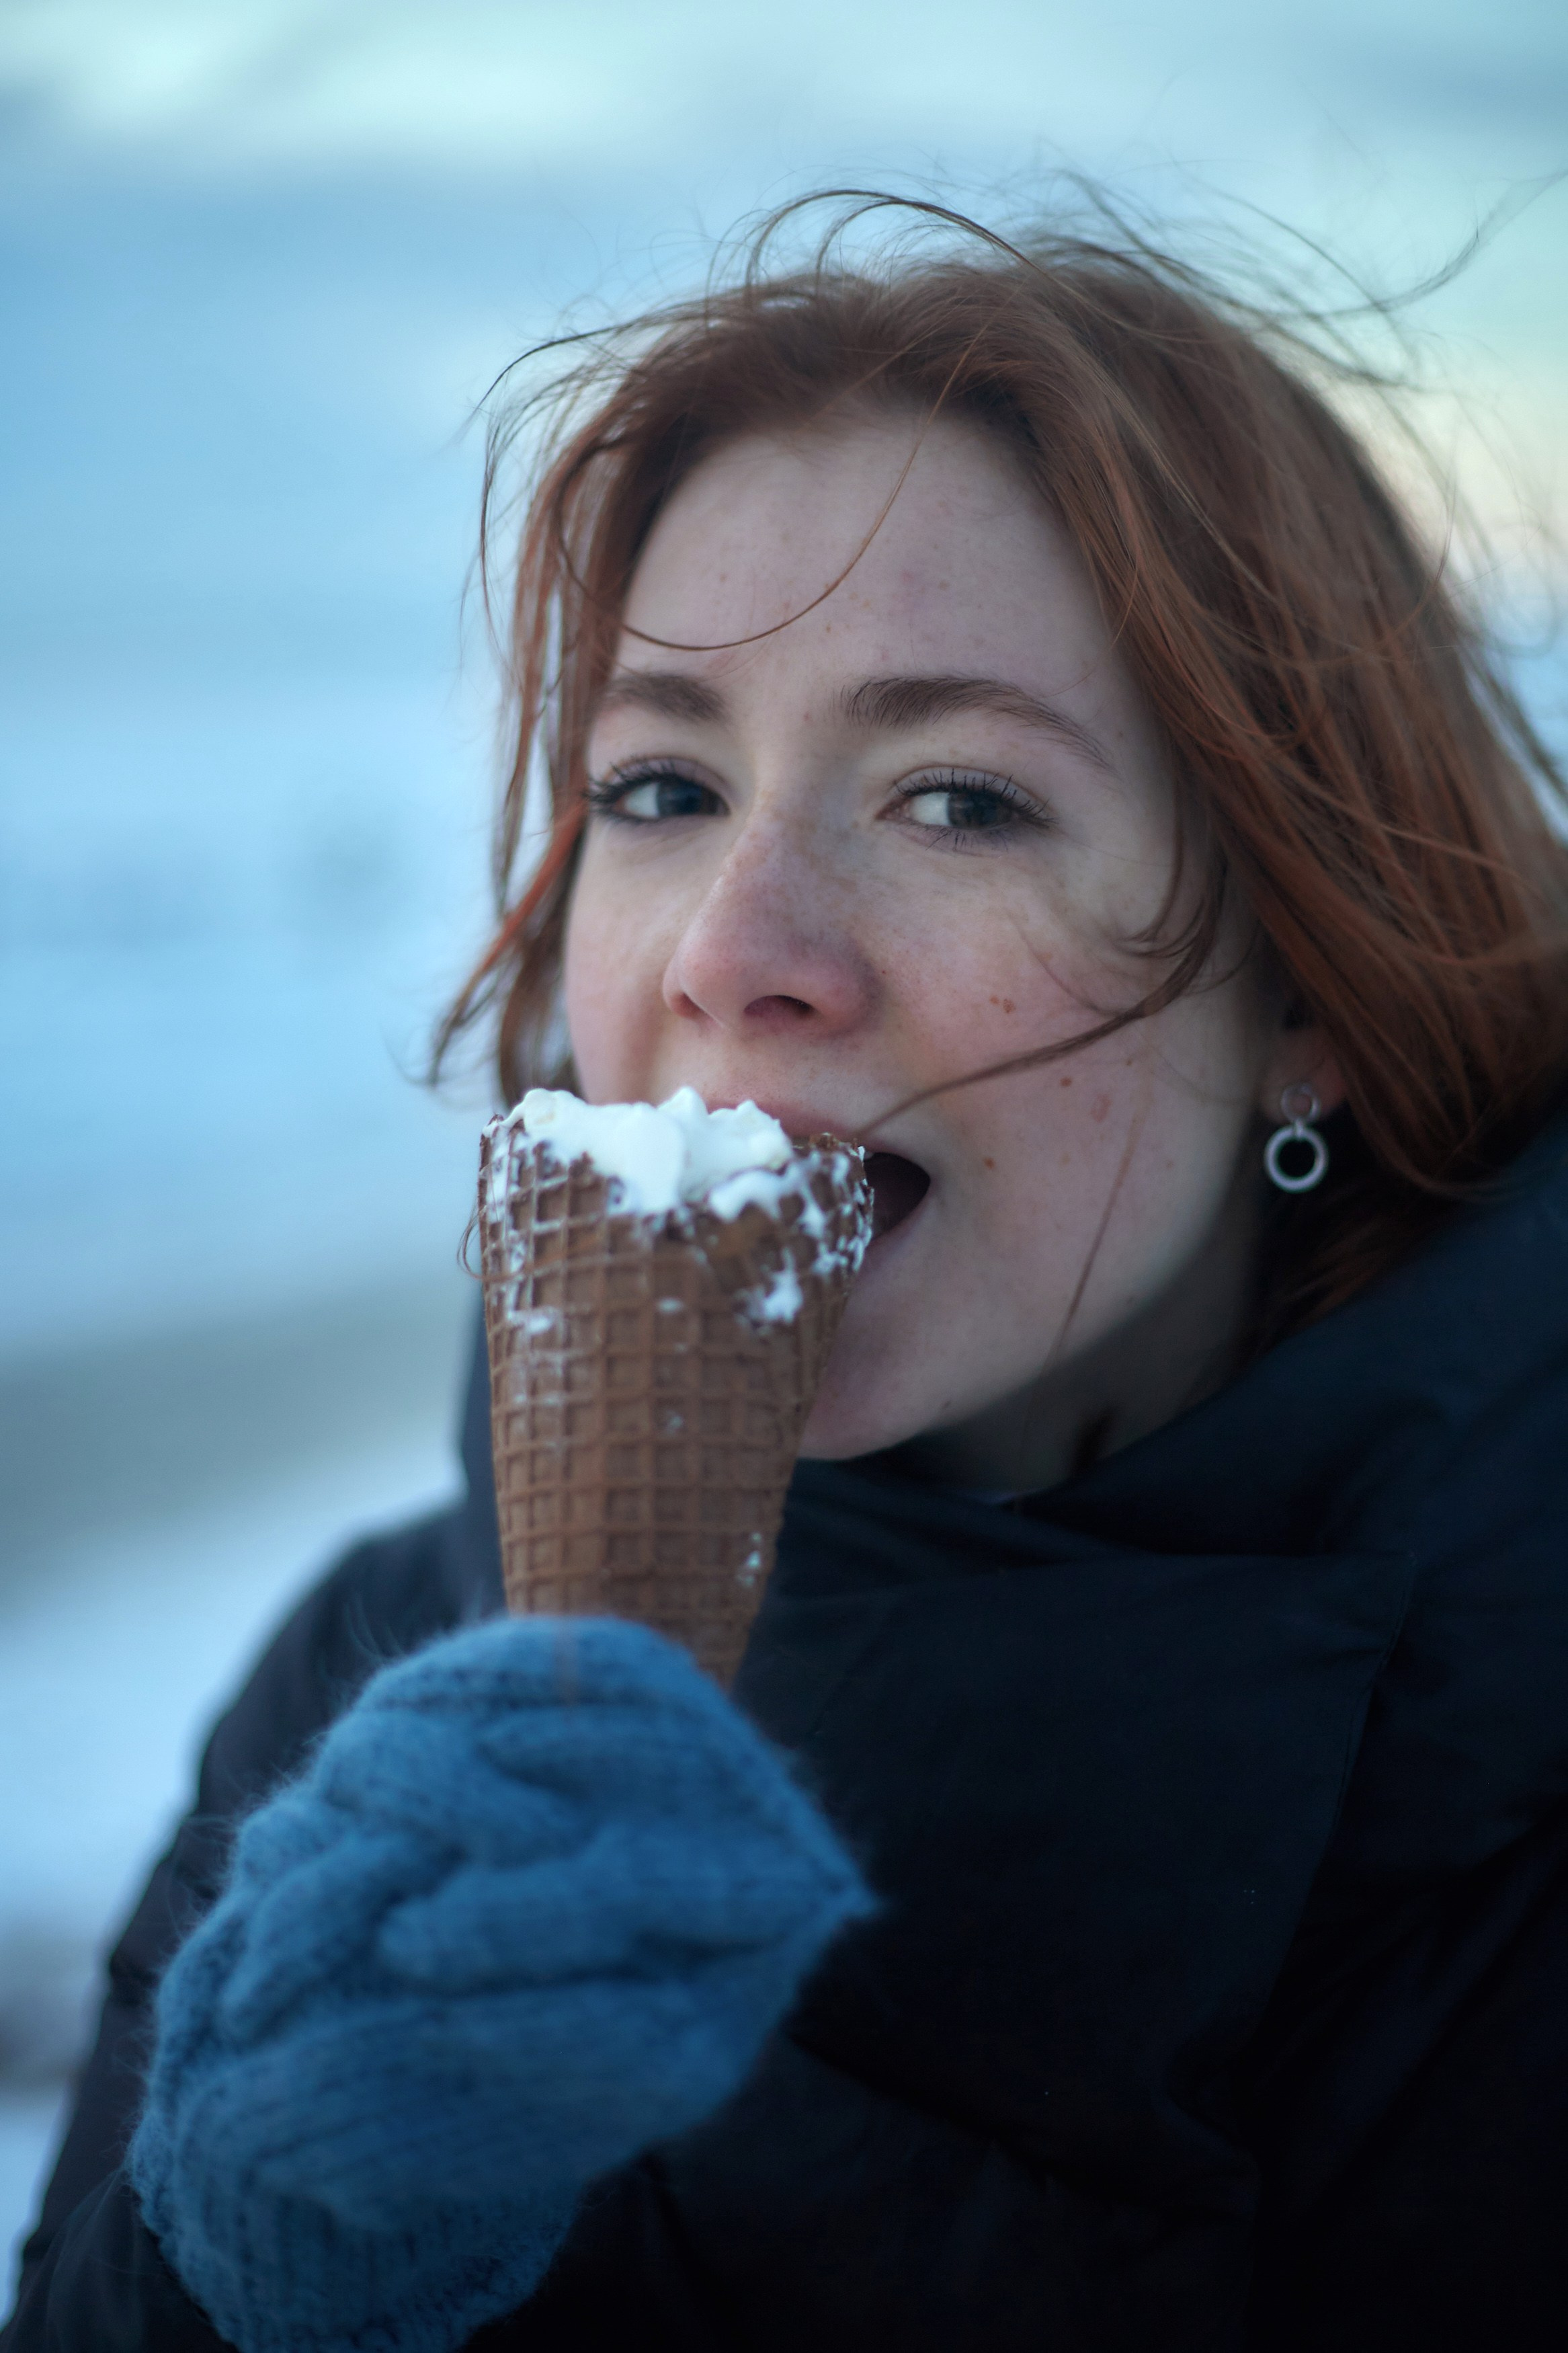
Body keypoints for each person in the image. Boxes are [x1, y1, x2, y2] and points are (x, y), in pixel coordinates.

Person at [7, 194, 1568, 2352]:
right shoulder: (368, 1687)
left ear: (1306, 974)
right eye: (660, 782)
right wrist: (248, 2275)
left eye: (959, 802)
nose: (737, 954)